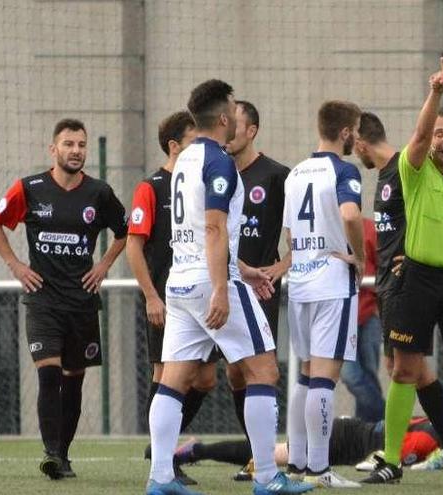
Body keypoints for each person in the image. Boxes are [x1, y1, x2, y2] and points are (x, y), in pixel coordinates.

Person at [145, 79, 311, 495]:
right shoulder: (218, 161)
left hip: (179, 282)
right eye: (235, 110)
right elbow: (216, 227)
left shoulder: (182, 159)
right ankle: (267, 478)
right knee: (264, 369)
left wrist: (247, 269)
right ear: (223, 119)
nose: (239, 116)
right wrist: (223, 287)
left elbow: (201, 231)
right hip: (209, 284)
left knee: (173, 380)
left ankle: (160, 477)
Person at [363, 57, 443, 486]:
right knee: (404, 370)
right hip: (416, 279)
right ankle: (390, 460)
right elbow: (418, 135)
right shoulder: (413, 171)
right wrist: (436, 93)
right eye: (439, 133)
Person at [0, 118, 127, 480]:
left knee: (74, 380)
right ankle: (50, 453)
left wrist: (104, 265)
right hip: (42, 300)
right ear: (54, 149)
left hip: (81, 302)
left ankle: (63, 454)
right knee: (49, 376)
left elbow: (126, 231)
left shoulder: (99, 193)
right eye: (69, 144)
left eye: (81, 145)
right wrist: (16, 265)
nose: (76, 151)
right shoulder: (30, 187)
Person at [353, 111, 443, 469]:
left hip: (408, 286)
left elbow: (422, 135)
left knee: (402, 371)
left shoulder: (403, 166)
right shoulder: (382, 176)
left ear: (361, 143)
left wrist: (436, 94)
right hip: (388, 288)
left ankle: (393, 455)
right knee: (407, 367)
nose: (355, 155)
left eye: (355, 148)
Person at [127, 111, 216, 486]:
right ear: (174, 146)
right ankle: (162, 461)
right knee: (165, 375)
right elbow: (134, 246)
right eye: (194, 141)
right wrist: (150, 295)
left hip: (200, 295)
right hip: (167, 299)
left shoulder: (199, 181)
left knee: (207, 378)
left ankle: (161, 450)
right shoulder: (151, 187)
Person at [283, 100, 365, 489]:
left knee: (303, 374)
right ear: (346, 132)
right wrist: (358, 256)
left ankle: (297, 464)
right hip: (332, 281)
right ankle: (319, 469)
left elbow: (289, 234)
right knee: (325, 378)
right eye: (356, 130)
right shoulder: (344, 170)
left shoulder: (296, 171)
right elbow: (350, 215)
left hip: (299, 280)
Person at [226, 99, 291, 465]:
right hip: (224, 285)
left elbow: (301, 234)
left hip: (260, 288)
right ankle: (256, 452)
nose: (228, 132)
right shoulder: (219, 174)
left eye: (235, 125)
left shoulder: (276, 175)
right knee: (231, 371)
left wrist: (282, 264)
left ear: (251, 131)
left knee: (259, 369)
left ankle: (260, 456)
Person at [173, 417, 443, 475]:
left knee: (274, 453)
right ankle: (196, 451)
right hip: (343, 441)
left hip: (348, 432)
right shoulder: (430, 439)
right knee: (273, 454)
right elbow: (380, 459)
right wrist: (426, 465)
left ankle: (199, 451)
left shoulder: (435, 426)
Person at [340, 217, 385, 422]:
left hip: (367, 314)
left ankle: (367, 432)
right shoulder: (327, 225)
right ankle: (387, 418)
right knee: (352, 376)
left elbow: (382, 266)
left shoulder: (368, 228)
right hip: (337, 316)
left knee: (369, 374)